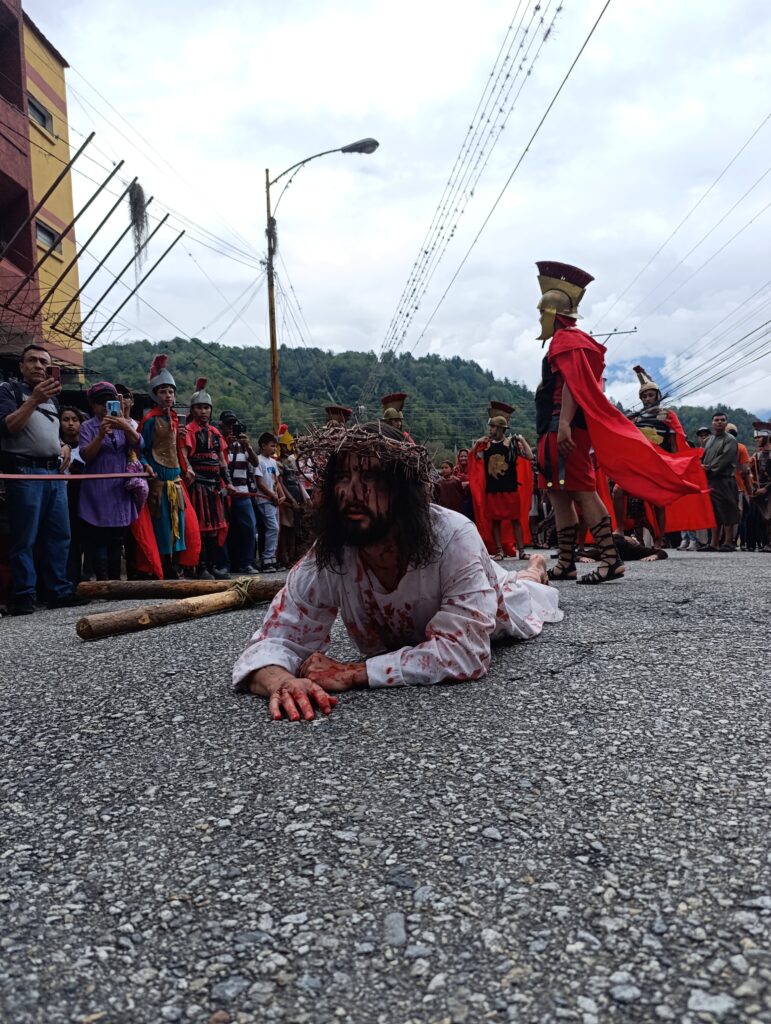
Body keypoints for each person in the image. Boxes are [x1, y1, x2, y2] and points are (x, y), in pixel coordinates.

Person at [232, 423, 562, 721]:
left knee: (525, 590)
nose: (352, 493)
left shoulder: (454, 536)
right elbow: (272, 641)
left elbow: (465, 653)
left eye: (370, 477)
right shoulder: (332, 552)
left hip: (499, 600)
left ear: (401, 489)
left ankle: (534, 569)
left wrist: (355, 672)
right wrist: (281, 682)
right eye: (343, 478)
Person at [533, 260, 705, 583]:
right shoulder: (568, 341)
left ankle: (611, 560)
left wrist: (565, 424)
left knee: (582, 491)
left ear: (553, 314)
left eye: (542, 313)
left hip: (561, 428)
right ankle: (566, 562)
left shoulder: (566, 340)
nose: (540, 318)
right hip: (550, 430)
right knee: (559, 493)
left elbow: (572, 383)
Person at [0, 343, 83, 614]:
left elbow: (49, 434)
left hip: (54, 472)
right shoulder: (9, 390)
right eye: (32, 360)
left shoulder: (53, 399)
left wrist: (64, 445)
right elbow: (8, 427)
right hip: (24, 471)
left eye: (44, 362)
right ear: (21, 366)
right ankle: (24, 594)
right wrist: (33, 399)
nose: (38, 366)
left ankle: (58, 591)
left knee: (59, 534)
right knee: (25, 536)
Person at [612, 366, 685, 548]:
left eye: (650, 395)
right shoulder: (636, 418)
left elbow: (673, 442)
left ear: (657, 396)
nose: (647, 398)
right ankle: (619, 529)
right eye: (644, 396)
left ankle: (659, 539)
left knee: (658, 502)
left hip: (657, 464)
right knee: (618, 491)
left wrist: (675, 464)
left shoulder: (666, 416)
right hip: (638, 463)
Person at [78, 381, 142, 580]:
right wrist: (100, 436)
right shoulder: (87, 426)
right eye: (100, 402)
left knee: (117, 538)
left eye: (110, 401)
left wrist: (125, 425)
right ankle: (103, 582)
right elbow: (86, 456)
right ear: (93, 405)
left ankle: (116, 583)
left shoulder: (123, 424)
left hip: (120, 489)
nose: (105, 405)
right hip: (97, 489)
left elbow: (140, 444)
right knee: (99, 538)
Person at [138, 355, 190, 579]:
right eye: (163, 392)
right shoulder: (150, 420)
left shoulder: (176, 420)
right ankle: (164, 568)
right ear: (155, 394)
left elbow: (176, 450)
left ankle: (177, 565)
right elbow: (140, 449)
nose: (168, 395)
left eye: (170, 391)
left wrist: (186, 467)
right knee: (162, 526)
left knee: (179, 524)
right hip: (158, 482)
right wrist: (145, 466)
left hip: (175, 481)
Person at [182, 379, 233, 580]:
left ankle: (212, 566)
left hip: (214, 486)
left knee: (214, 528)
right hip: (198, 485)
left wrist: (229, 483)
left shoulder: (215, 433)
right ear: (193, 410)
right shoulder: (189, 431)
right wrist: (188, 469)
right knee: (202, 528)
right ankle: (200, 567)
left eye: (206, 408)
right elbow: (184, 456)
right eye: (199, 408)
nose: (203, 411)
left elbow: (222, 461)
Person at [471, 402, 531, 560]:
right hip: (493, 490)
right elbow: (474, 457)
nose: (490, 430)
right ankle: (499, 551)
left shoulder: (511, 445)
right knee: (495, 522)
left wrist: (522, 440)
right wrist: (477, 444)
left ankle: (521, 551)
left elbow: (529, 456)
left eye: (492, 427)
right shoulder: (487, 446)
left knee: (515, 520)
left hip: (510, 489)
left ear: (500, 429)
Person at [218, 412, 259, 576]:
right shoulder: (217, 442)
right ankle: (224, 564)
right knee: (223, 529)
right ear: (221, 425)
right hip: (224, 492)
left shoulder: (242, 444)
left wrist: (248, 446)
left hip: (243, 492)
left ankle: (247, 562)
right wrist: (226, 445)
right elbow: (219, 464)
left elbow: (255, 462)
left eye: (233, 424)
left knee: (249, 528)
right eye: (228, 424)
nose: (231, 428)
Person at [702, 412, 739, 551]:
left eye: (722, 420)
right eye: (716, 420)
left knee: (727, 510)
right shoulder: (708, 440)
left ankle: (728, 542)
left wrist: (708, 468)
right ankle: (713, 543)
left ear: (726, 423)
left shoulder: (730, 440)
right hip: (710, 480)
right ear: (712, 423)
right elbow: (701, 456)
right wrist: (700, 466)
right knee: (713, 512)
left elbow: (725, 458)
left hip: (724, 479)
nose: (719, 422)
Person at [255, 432, 287, 573]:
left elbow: (276, 481)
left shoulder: (273, 462)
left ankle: (272, 558)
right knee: (272, 528)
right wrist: (272, 495)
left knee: (275, 529)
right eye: (272, 446)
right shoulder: (258, 460)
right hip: (264, 500)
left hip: (274, 500)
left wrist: (282, 495)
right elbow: (259, 483)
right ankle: (267, 558)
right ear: (263, 446)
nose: (274, 449)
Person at [727, 423, 751, 550]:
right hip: (738, 487)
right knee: (739, 516)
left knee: (727, 514)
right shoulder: (741, 447)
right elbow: (745, 470)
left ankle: (728, 541)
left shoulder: (719, 447)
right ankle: (741, 543)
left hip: (725, 486)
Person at [748, 422, 771, 551]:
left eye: (760, 437)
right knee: (763, 518)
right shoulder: (756, 456)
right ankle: (766, 543)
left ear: (767, 437)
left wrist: (766, 488)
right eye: (755, 437)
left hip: (768, 489)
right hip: (759, 490)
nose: (757, 440)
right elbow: (750, 473)